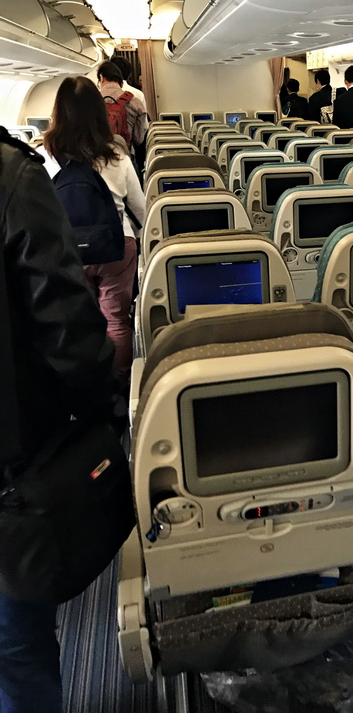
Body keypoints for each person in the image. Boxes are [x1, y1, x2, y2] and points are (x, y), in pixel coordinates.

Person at [0, 127, 117, 713]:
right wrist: (106, 420)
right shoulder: (12, 178)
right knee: (18, 653)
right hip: (13, 475)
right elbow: (69, 330)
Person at [42, 76, 145, 375]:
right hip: (115, 245)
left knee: (80, 320)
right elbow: (140, 209)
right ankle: (122, 382)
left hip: (67, 249)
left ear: (58, 111)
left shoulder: (44, 157)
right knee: (116, 320)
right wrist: (139, 244)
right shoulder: (116, 155)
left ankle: (91, 380)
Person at [97, 60, 148, 153]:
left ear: (101, 77)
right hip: (125, 154)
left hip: (97, 156)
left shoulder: (89, 101)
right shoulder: (135, 101)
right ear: (121, 80)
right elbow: (139, 139)